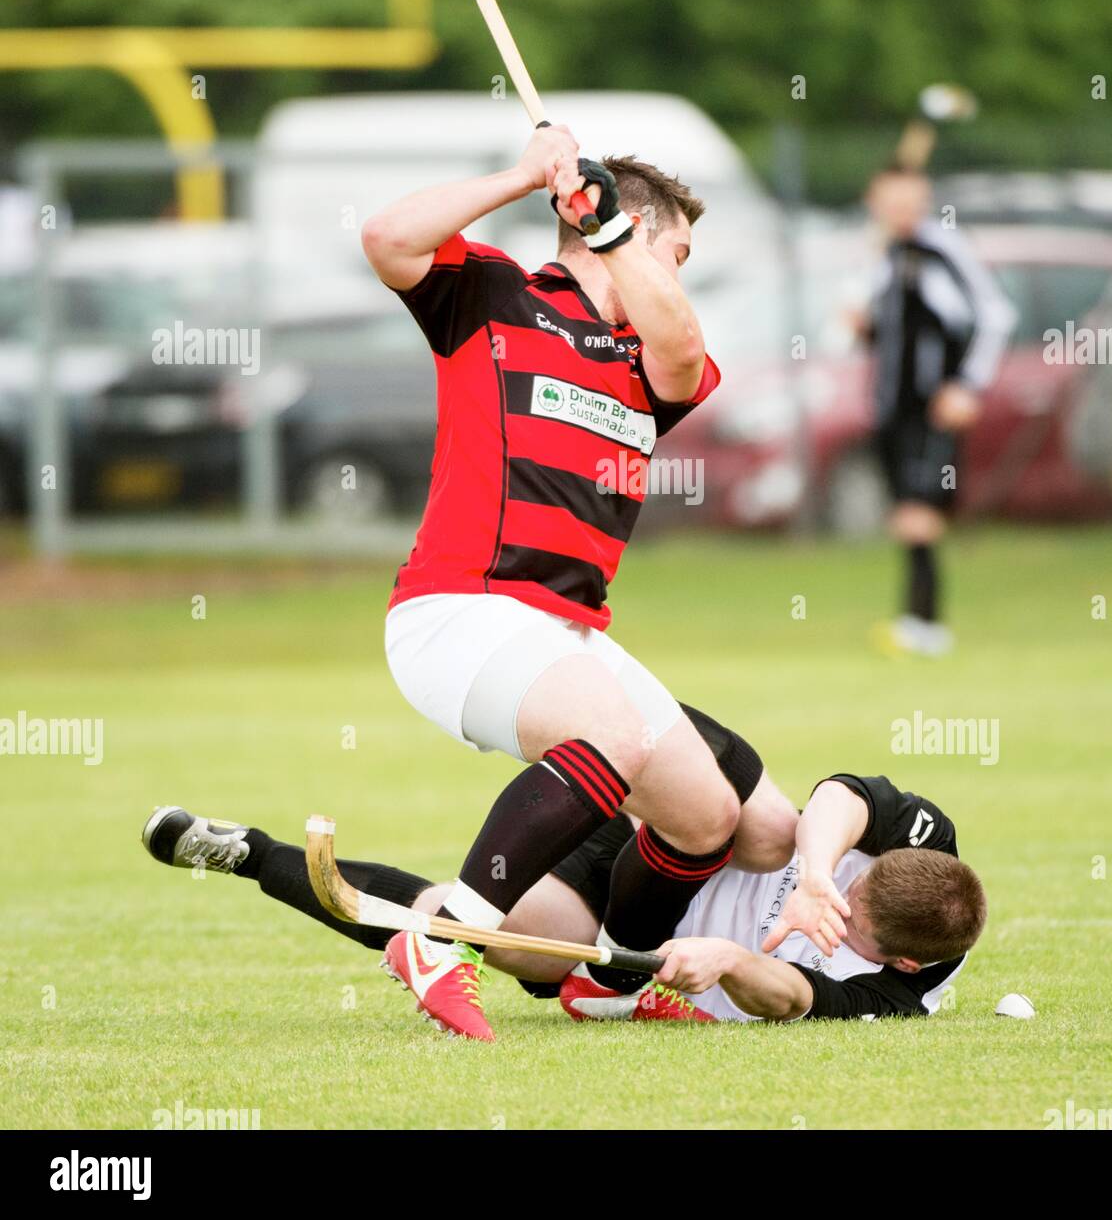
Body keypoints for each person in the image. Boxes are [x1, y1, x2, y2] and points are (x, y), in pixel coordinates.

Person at [338, 129, 798, 1039]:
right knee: (612, 738)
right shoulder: (491, 292)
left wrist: (621, 239)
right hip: (460, 608)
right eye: (679, 253)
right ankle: (446, 935)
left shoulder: (650, 356)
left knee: (705, 813)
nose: (678, 275)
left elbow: (681, 348)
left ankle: (611, 984)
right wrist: (523, 174)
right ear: (619, 227)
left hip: (567, 627)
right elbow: (388, 237)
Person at [142, 710, 984, 1026]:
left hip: (637, 935)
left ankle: (246, 853)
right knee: (766, 825)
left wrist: (729, 960)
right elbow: (842, 796)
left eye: (850, 912)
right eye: (854, 882)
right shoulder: (927, 849)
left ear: (900, 961)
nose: (842, 893)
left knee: (456, 920)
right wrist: (812, 876)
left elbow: (792, 997)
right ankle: (589, 714)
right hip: (664, 840)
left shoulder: (897, 997)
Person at [858, 166, 1015, 657]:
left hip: (932, 409)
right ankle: (917, 621)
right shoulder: (884, 257)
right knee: (905, 513)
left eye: (909, 198)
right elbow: (877, 332)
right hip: (891, 409)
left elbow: (995, 315)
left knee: (920, 514)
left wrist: (966, 385)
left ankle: (924, 623)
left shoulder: (942, 250)